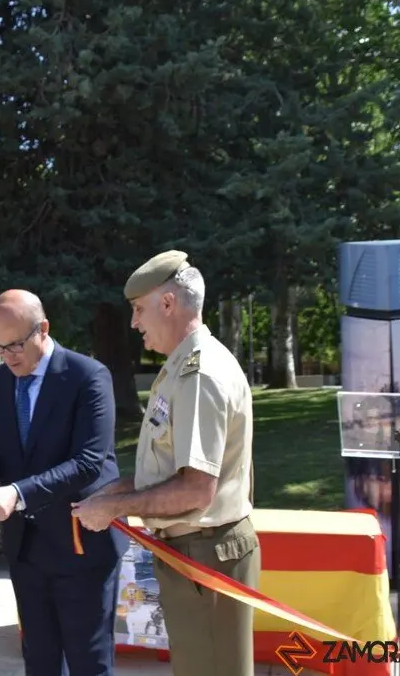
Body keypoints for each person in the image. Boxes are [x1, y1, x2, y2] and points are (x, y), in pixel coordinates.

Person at [72, 250, 260, 676]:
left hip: (206, 553)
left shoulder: (199, 374)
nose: (134, 322)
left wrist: (114, 507)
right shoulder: (180, 369)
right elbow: (169, 472)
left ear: (169, 304)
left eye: (139, 309)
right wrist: (114, 493)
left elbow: (195, 489)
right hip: (194, 551)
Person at [0, 289, 128, 676]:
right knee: (38, 659)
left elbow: (88, 462)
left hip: (82, 543)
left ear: (43, 329)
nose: (8, 356)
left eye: (16, 345)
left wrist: (17, 494)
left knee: (88, 661)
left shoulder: (87, 376)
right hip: (27, 549)